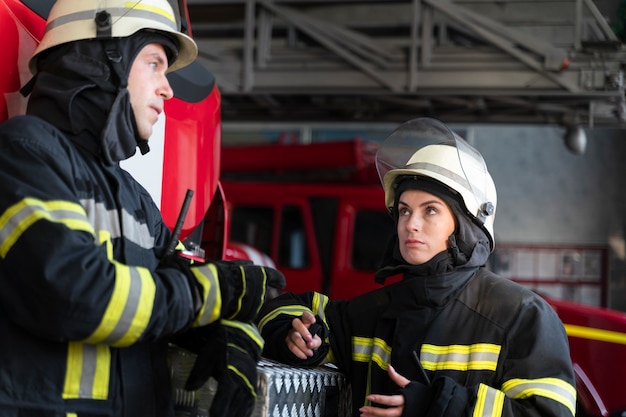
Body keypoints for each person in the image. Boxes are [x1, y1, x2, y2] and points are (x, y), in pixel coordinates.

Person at [0, 1, 284, 416]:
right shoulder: (26, 153)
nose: (167, 88)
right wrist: (214, 292)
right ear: (101, 60)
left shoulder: (134, 196)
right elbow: (73, 294)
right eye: (154, 63)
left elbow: (164, 298)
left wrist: (228, 332)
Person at [256, 117, 576, 417]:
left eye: (430, 210)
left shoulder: (522, 315)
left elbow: (547, 413)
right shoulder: (373, 312)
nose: (412, 224)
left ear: (465, 224)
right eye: (405, 211)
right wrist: (294, 336)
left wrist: (435, 406)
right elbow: (284, 309)